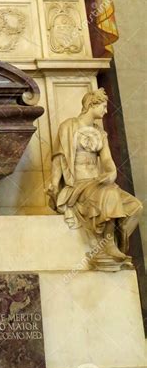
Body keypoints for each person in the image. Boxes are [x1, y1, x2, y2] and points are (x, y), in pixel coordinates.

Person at [47, 88, 143, 270]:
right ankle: (107, 245)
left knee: (135, 207)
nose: (106, 111)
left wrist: (111, 172)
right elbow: (59, 158)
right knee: (110, 194)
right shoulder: (68, 127)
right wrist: (53, 182)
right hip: (78, 186)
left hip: (98, 183)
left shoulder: (100, 132)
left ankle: (111, 242)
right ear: (92, 104)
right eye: (104, 106)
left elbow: (106, 160)